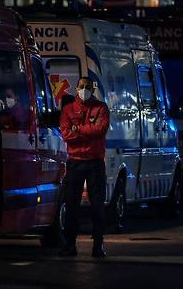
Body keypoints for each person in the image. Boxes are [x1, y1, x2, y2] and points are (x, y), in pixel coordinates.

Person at [58, 77, 110, 258]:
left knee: (97, 206)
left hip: (95, 163)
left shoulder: (101, 108)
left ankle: (98, 245)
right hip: (75, 162)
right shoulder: (68, 109)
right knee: (71, 206)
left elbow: (100, 130)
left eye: (87, 87)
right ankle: (69, 245)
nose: (84, 89)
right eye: (81, 87)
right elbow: (65, 134)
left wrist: (78, 129)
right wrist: (87, 131)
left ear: (92, 89)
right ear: (76, 89)